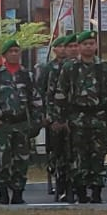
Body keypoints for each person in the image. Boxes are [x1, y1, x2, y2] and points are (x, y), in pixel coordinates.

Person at [51, 30, 107, 203]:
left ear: (96, 45)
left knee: (98, 156)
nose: (88, 46)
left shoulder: (104, 66)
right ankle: (81, 192)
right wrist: (60, 120)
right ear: (79, 46)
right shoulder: (70, 67)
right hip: (77, 119)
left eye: (91, 43)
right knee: (79, 157)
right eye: (85, 44)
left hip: (99, 117)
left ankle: (97, 192)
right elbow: (61, 94)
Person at [0, 38, 42, 204]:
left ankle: (18, 193)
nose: (14, 54)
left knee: (22, 160)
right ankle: (3, 192)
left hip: (21, 124)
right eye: (11, 51)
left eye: (16, 51)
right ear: (5, 55)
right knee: (1, 159)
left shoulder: (27, 75)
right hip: (2, 125)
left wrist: (36, 122)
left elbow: (36, 100)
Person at [36, 35, 72, 198]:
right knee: (56, 152)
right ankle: (57, 182)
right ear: (55, 50)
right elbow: (41, 93)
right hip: (53, 117)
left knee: (70, 152)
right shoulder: (47, 68)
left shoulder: (73, 66)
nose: (64, 49)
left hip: (72, 117)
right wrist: (46, 116)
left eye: (67, 46)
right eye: (61, 47)